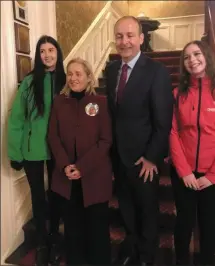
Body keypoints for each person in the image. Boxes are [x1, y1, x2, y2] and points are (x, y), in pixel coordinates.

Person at [105, 16, 173, 265]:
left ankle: (147, 257)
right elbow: (114, 115)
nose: (125, 42)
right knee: (126, 208)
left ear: (142, 39)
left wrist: (152, 157)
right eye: (120, 36)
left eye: (130, 35)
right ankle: (132, 247)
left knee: (147, 212)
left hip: (145, 160)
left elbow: (163, 120)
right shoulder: (111, 70)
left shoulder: (157, 72)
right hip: (119, 158)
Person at [47, 57, 113, 265]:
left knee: (97, 231)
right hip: (66, 179)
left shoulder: (100, 102)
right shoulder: (59, 102)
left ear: (88, 77)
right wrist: (65, 165)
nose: (73, 78)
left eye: (78, 74)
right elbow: (53, 137)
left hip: (94, 178)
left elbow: (105, 140)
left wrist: (82, 167)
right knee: (73, 232)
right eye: (70, 73)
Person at [7, 35, 66, 266]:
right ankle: (42, 240)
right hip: (32, 149)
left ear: (58, 52)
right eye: (42, 51)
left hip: (59, 150)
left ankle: (54, 237)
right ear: (38, 55)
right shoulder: (29, 82)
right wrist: (14, 153)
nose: (47, 55)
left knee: (57, 194)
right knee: (38, 197)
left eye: (51, 50)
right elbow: (16, 119)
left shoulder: (66, 79)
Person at [169, 40, 215, 265]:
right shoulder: (177, 94)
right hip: (185, 175)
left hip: (213, 176)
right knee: (183, 225)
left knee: (210, 227)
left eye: (197, 54)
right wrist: (184, 172)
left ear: (207, 56)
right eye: (187, 57)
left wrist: (213, 175)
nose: (192, 60)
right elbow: (172, 132)